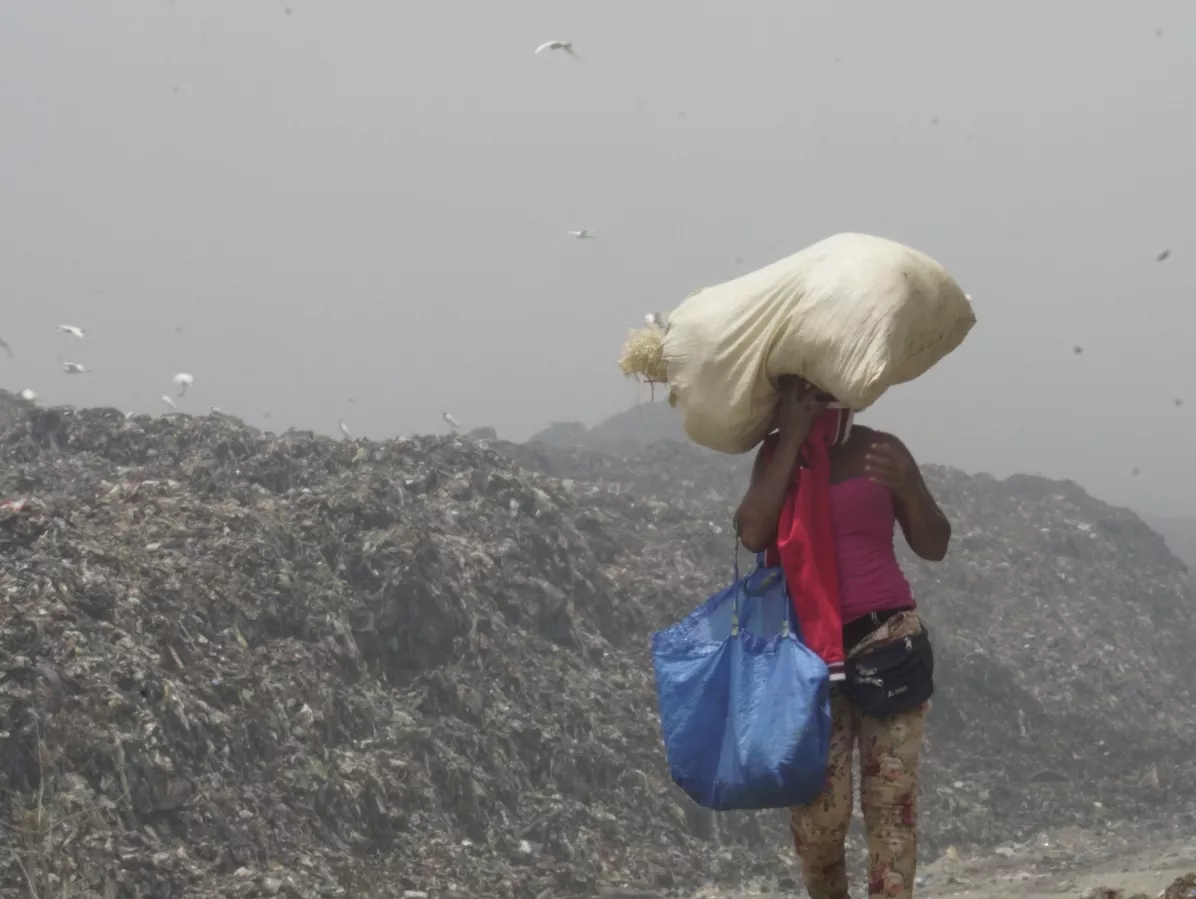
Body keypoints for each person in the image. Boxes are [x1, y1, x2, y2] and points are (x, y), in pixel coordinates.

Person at [735, 377, 951, 899]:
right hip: (809, 659)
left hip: (888, 641)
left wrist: (910, 487)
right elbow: (753, 532)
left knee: (891, 810)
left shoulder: (882, 451)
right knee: (818, 821)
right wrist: (791, 441)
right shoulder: (776, 457)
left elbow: (935, 544)